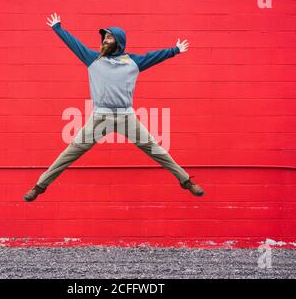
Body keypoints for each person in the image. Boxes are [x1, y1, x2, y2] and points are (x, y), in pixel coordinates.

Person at [23, 13, 205, 202]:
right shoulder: (93, 58)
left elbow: (154, 57)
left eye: (109, 37)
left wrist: (175, 50)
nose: (105, 40)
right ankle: (39, 187)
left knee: (155, 149)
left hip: (127, 118)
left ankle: (186, 182)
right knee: (71, 152)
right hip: (99, 118)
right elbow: (74, 44)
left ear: (118, 41)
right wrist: (58, 28)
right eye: (104, 37)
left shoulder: (133, 62)